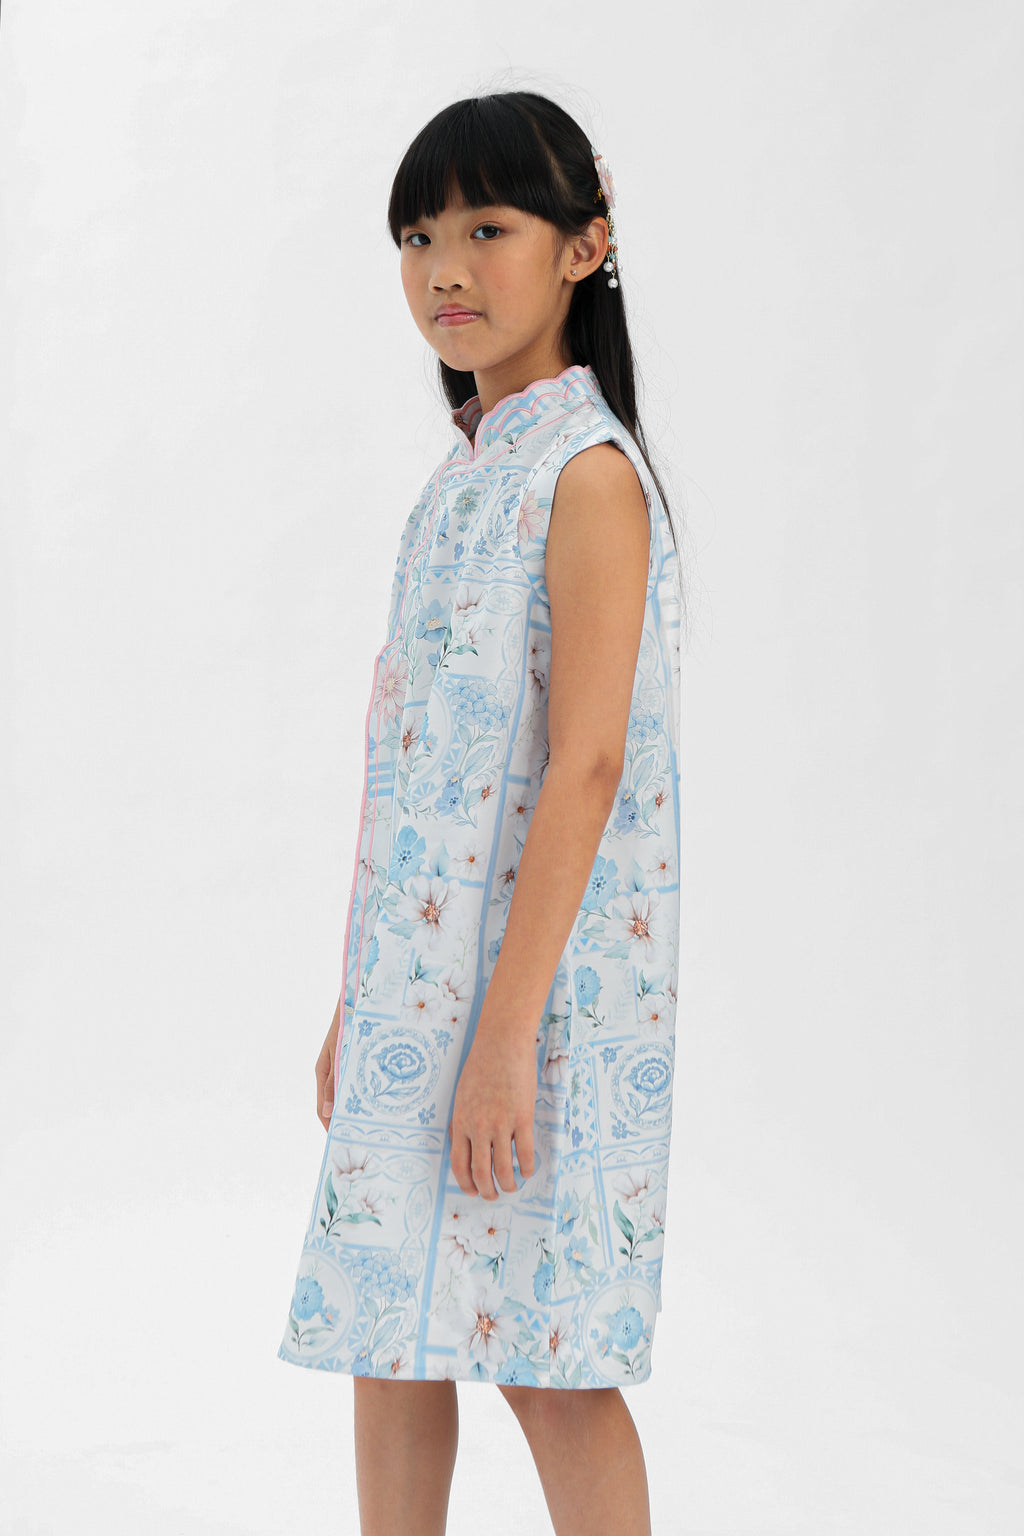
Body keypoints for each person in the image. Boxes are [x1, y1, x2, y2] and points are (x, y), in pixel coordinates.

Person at [278, 89, 684, 1536]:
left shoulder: (585, 477)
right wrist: (363, 1000)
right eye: (417, 237)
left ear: (585, 247)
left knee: (545, 1354)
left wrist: (506, 1036)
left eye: (487, 229)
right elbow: (419, 770)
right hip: (420, 987)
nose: (445, 269)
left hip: (538, 1000)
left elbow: (587, 766)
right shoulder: (464, 477)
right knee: (387, 1324)